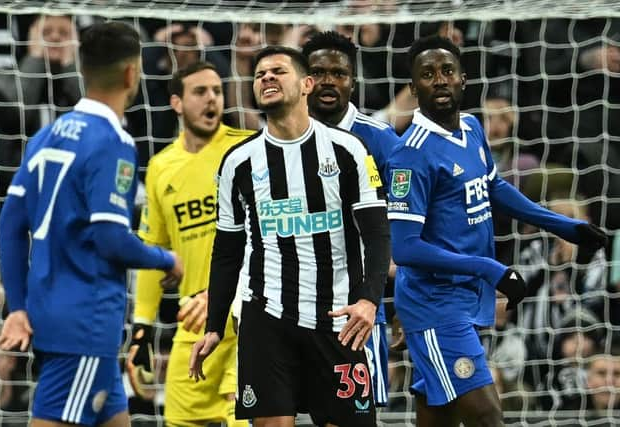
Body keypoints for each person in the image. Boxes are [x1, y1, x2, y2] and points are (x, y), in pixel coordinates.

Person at [385, 35, 608, 427]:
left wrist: (567, 226)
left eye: (447, 71)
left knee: (437, 417)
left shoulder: (471, 128)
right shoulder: (410, 156)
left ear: (463, 79)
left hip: (464, 297)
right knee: (489, 417)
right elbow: (405, 249)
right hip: (434, 305)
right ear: (414, 86)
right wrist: (492, 269)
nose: (439, 80)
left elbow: (494, 187)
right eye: (427, 74)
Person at [190, 45, 391, 427]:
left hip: (338, 319)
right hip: (266, 319)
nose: (266, 77)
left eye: (278, 71)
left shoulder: (348, 150)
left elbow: (378, 235)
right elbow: (227, 251)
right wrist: (214, 325)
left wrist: (368, 301)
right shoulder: (238, 162)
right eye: (260, 73)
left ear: (306, 84)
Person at [0, 22, 183, 427]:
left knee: (116, 417)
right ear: (132, 73)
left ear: (83, 69)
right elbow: (111, 237)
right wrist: (165, 259)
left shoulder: (46, 136)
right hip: (85, 319)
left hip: (54, 312)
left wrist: (17, 306)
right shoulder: (112, 142)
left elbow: (9, 225)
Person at [126, 61, 253, 427]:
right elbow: (153, 250)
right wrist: (142, 329)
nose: (212, 99)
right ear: (177, 103)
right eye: (200, 92)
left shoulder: (246, 150)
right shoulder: (161, 167)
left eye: (217, 90)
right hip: (195, 324)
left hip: (248, 321)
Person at [302, 30, 402, 408]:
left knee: (355, 415)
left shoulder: (381, 142)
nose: (329, 82)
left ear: (353, 80)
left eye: (339, 73)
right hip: (293, 306)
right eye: (318, 72)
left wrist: (403, 303)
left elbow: (408, 224)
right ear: (303, 80)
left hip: (358, 310)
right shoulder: (279, 140)